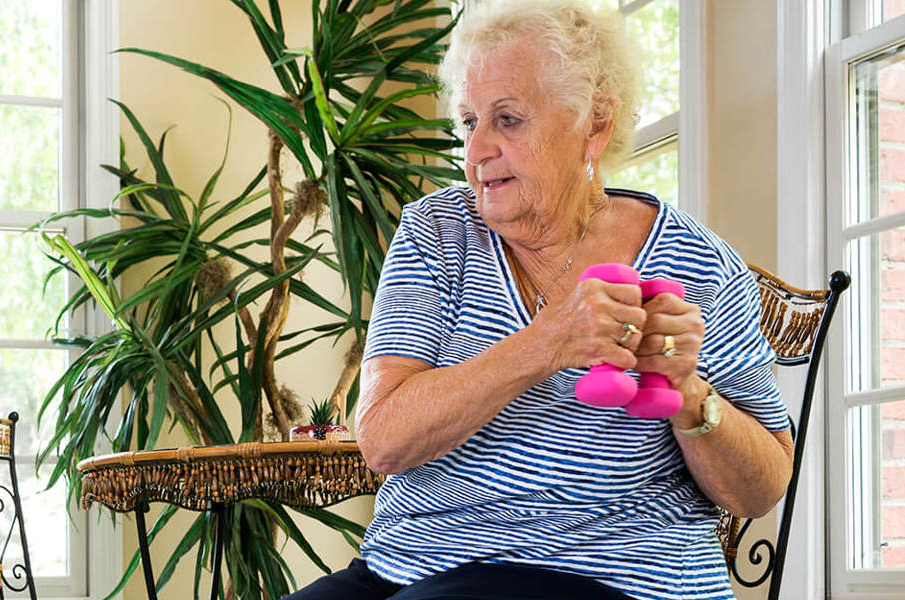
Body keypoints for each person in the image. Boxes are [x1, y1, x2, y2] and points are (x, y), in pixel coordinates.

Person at [284, 1, 795, 599]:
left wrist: (688, 396)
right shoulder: (437, 232)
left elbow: (761, 487)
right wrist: (545, 343)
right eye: (470, 122)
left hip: (612, 575)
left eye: (508, 119)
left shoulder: (699, 262)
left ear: (593, 126)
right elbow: (382, 439)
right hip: (408, 567)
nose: (476, 152)